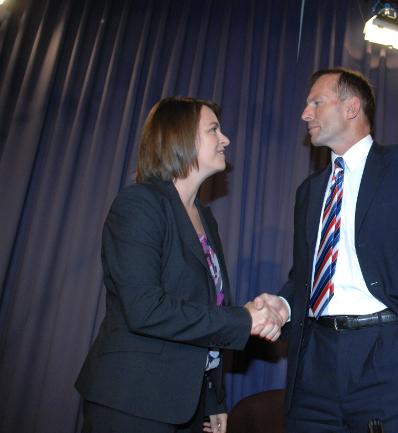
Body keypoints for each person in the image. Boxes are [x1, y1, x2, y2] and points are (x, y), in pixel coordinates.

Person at [277, 68, 398, 433]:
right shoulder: (308, 192)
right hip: (315, 365)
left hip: (392, 356)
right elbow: (302, 278)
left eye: (316, 103)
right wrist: (282, 305)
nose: (305, 113)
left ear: (352, 107)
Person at [75, 97, 287, 433]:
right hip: (132, 401)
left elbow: (205, 310)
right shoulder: (139, 205)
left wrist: (214, 397)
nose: (226, 139)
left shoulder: (205, 218)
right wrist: (244, 319)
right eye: (214, 129)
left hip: (188, 405)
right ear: (180, 137)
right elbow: (146, 309)